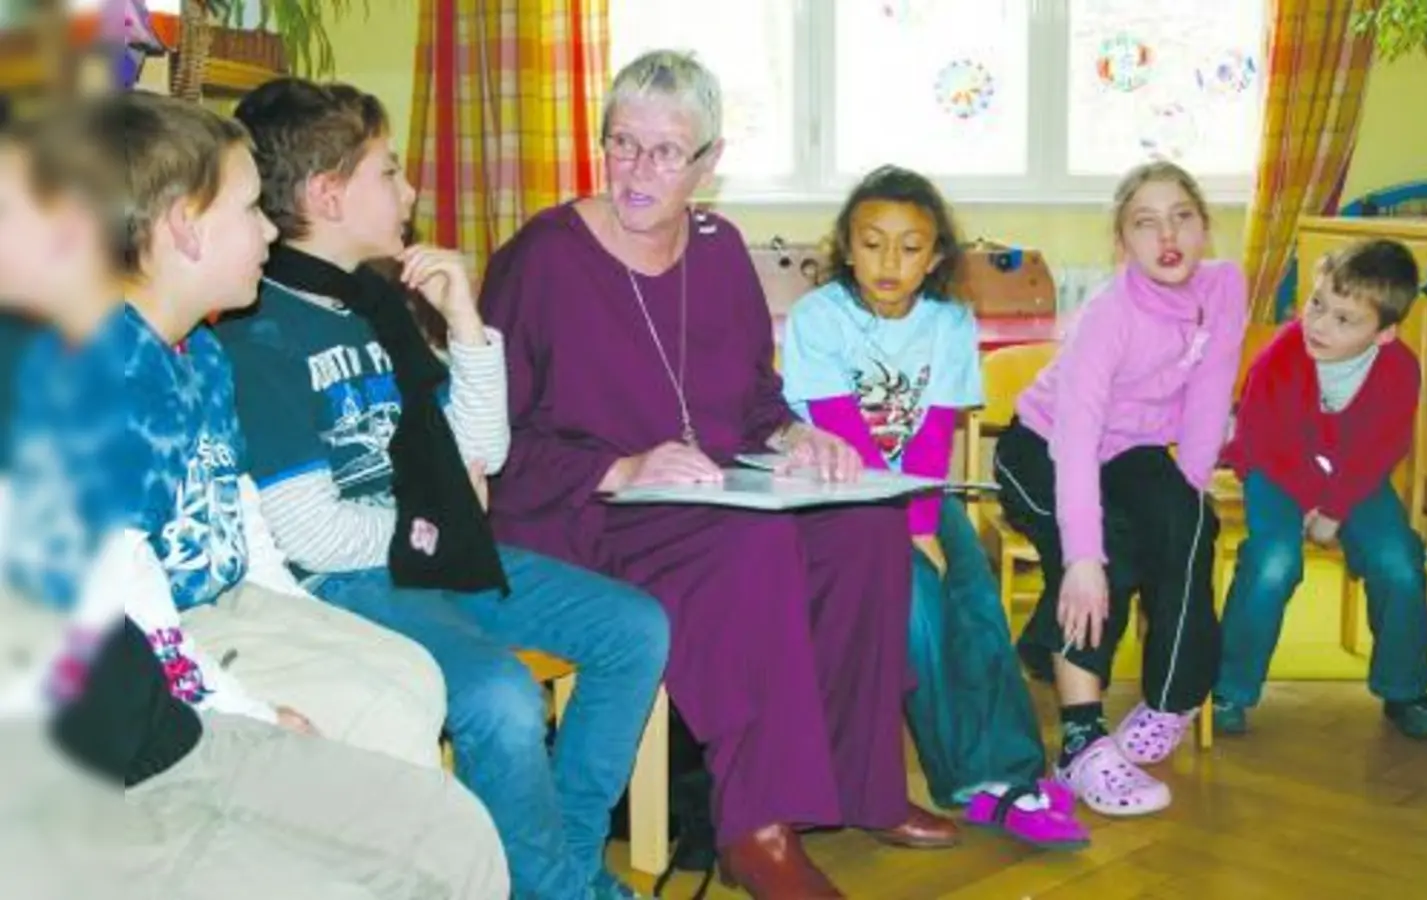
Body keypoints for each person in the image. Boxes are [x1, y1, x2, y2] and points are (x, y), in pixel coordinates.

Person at [0, 91, 507, 900]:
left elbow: (244, 522)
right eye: (248, 209)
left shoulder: (202, 353)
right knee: (381, 706)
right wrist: (253, 713)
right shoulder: (99, 374)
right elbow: (135, 603)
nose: (270, 230)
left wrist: (311, 622)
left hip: (223, 607)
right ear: (185, 228)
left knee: (410, 679)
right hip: (163, 652)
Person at [479, 50, 957, 899]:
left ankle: (862, 784)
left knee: (863, 526)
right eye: (622, 143)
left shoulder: (720, 248)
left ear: (709, 162)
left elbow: (753, 397)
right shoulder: (542, 258)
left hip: (706, 493)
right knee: (748, 548)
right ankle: (756, 827)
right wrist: (621, 465)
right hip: (587, 509)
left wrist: (798, 437)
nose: (637, 170)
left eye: (666, 151)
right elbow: (491, 439)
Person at [215, 77, 669, 900]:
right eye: (389, 172)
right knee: (501, 697)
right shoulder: (259, 329)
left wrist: (465, 325)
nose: (411, 190)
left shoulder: (373, 302)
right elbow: (311, 535)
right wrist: (436, 519)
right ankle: (563, 887)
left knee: (635, 628)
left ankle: (559, 873)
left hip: (435, 551)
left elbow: (482, 451)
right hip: (347, 582)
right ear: (327, 195)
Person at [780, 164, 1086, 847]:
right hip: (833, 496)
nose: (889, 262)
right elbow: (845, 434)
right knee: (915, 598)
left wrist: (923, 523)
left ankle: (1006, 773)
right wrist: (912, 535)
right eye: (872, 243)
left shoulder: (949, 323)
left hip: (915, 491)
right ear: (847, 246)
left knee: (973, 594)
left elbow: (934, 435)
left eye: (910, 246)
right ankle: (963, 776)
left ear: (936, 256)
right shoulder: (818, 317)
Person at [994, 161, 1246, 817]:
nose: (1168, 235)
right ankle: (1080, 742)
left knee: (1192, 521)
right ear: (1122, 242)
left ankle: (1170, 698)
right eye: (1145, 222)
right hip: (1043, 445)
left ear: (1204, 227)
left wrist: (1183, 507)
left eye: (1182, 217)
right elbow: (1075, 438)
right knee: (1103, 552)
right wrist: (1084, 555)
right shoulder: (1109, 315)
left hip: (1130, 448)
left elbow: (1210, 394)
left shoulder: (1225, 287)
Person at [1213, 240, 1427, 741]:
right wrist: (1309, 501)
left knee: (1399, 561)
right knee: (1273, 561)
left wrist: (1334, 508)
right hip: (1278, 470)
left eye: (1344, 320)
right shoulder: (1282, 354)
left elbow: (1380, 450)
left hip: (1352, 479)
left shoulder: (1400, 368)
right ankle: (1229, 687)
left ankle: (1404, 688)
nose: (1319, 325)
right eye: (1317, 304)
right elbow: (1260, 437)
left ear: (1384, 333)